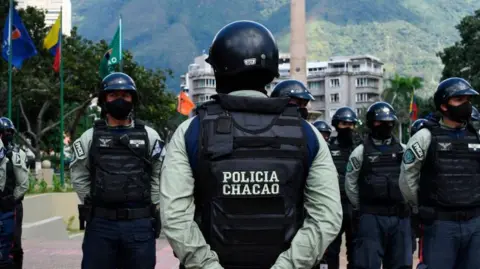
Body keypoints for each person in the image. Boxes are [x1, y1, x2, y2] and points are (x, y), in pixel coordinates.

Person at [160, 20, 342, 269]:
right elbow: (327, 217)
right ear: (271, 70)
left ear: (218, 70)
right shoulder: (306, 133)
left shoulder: (190, 131)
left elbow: (175, 217)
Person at [70, 72, 164, 269]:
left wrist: (152, 204)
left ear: (133, 99)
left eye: (125, 95)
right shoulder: (89, 137)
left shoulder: (150, 136)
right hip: (101, 225)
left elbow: (159, 174)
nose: (120, 100)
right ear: (104, 100)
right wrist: (95, 200)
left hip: (140, 224)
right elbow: (79, 175)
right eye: (113, 95)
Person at [399, 77, 480, 269]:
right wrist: (421, 207)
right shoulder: (425, 137)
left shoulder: (477, 135)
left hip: (475, 223)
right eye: (459, 100)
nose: (466, 105)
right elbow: (407, 178)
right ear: (443, 105)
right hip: (440, 224)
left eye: (468, 100)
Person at [345, 101, 412, 269]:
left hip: (400, 217)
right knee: (366, 264)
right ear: (370, 124)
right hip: (371, 218)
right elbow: (350, 184)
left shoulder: (404, 150)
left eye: (388, 122)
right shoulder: (360, 152)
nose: (384, 125)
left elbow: (412, 179)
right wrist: (361, 208)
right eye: (379, 121)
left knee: (401, 265)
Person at [323, 107, 359, 269]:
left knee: (356, 252)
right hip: (333, 208)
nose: (349, 128)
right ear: (336, 125)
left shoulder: (360, 148)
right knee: (330, 253)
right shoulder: (327, 149)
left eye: (352, 124)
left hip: (354, 208)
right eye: (345, 124)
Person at [0, 117, 29, 269]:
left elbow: (23, 185)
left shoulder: (17, 154)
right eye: (4, 132)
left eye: (9, 132)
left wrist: (10, 200)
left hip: (12, 206)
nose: (6, 134)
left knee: (14, 244)